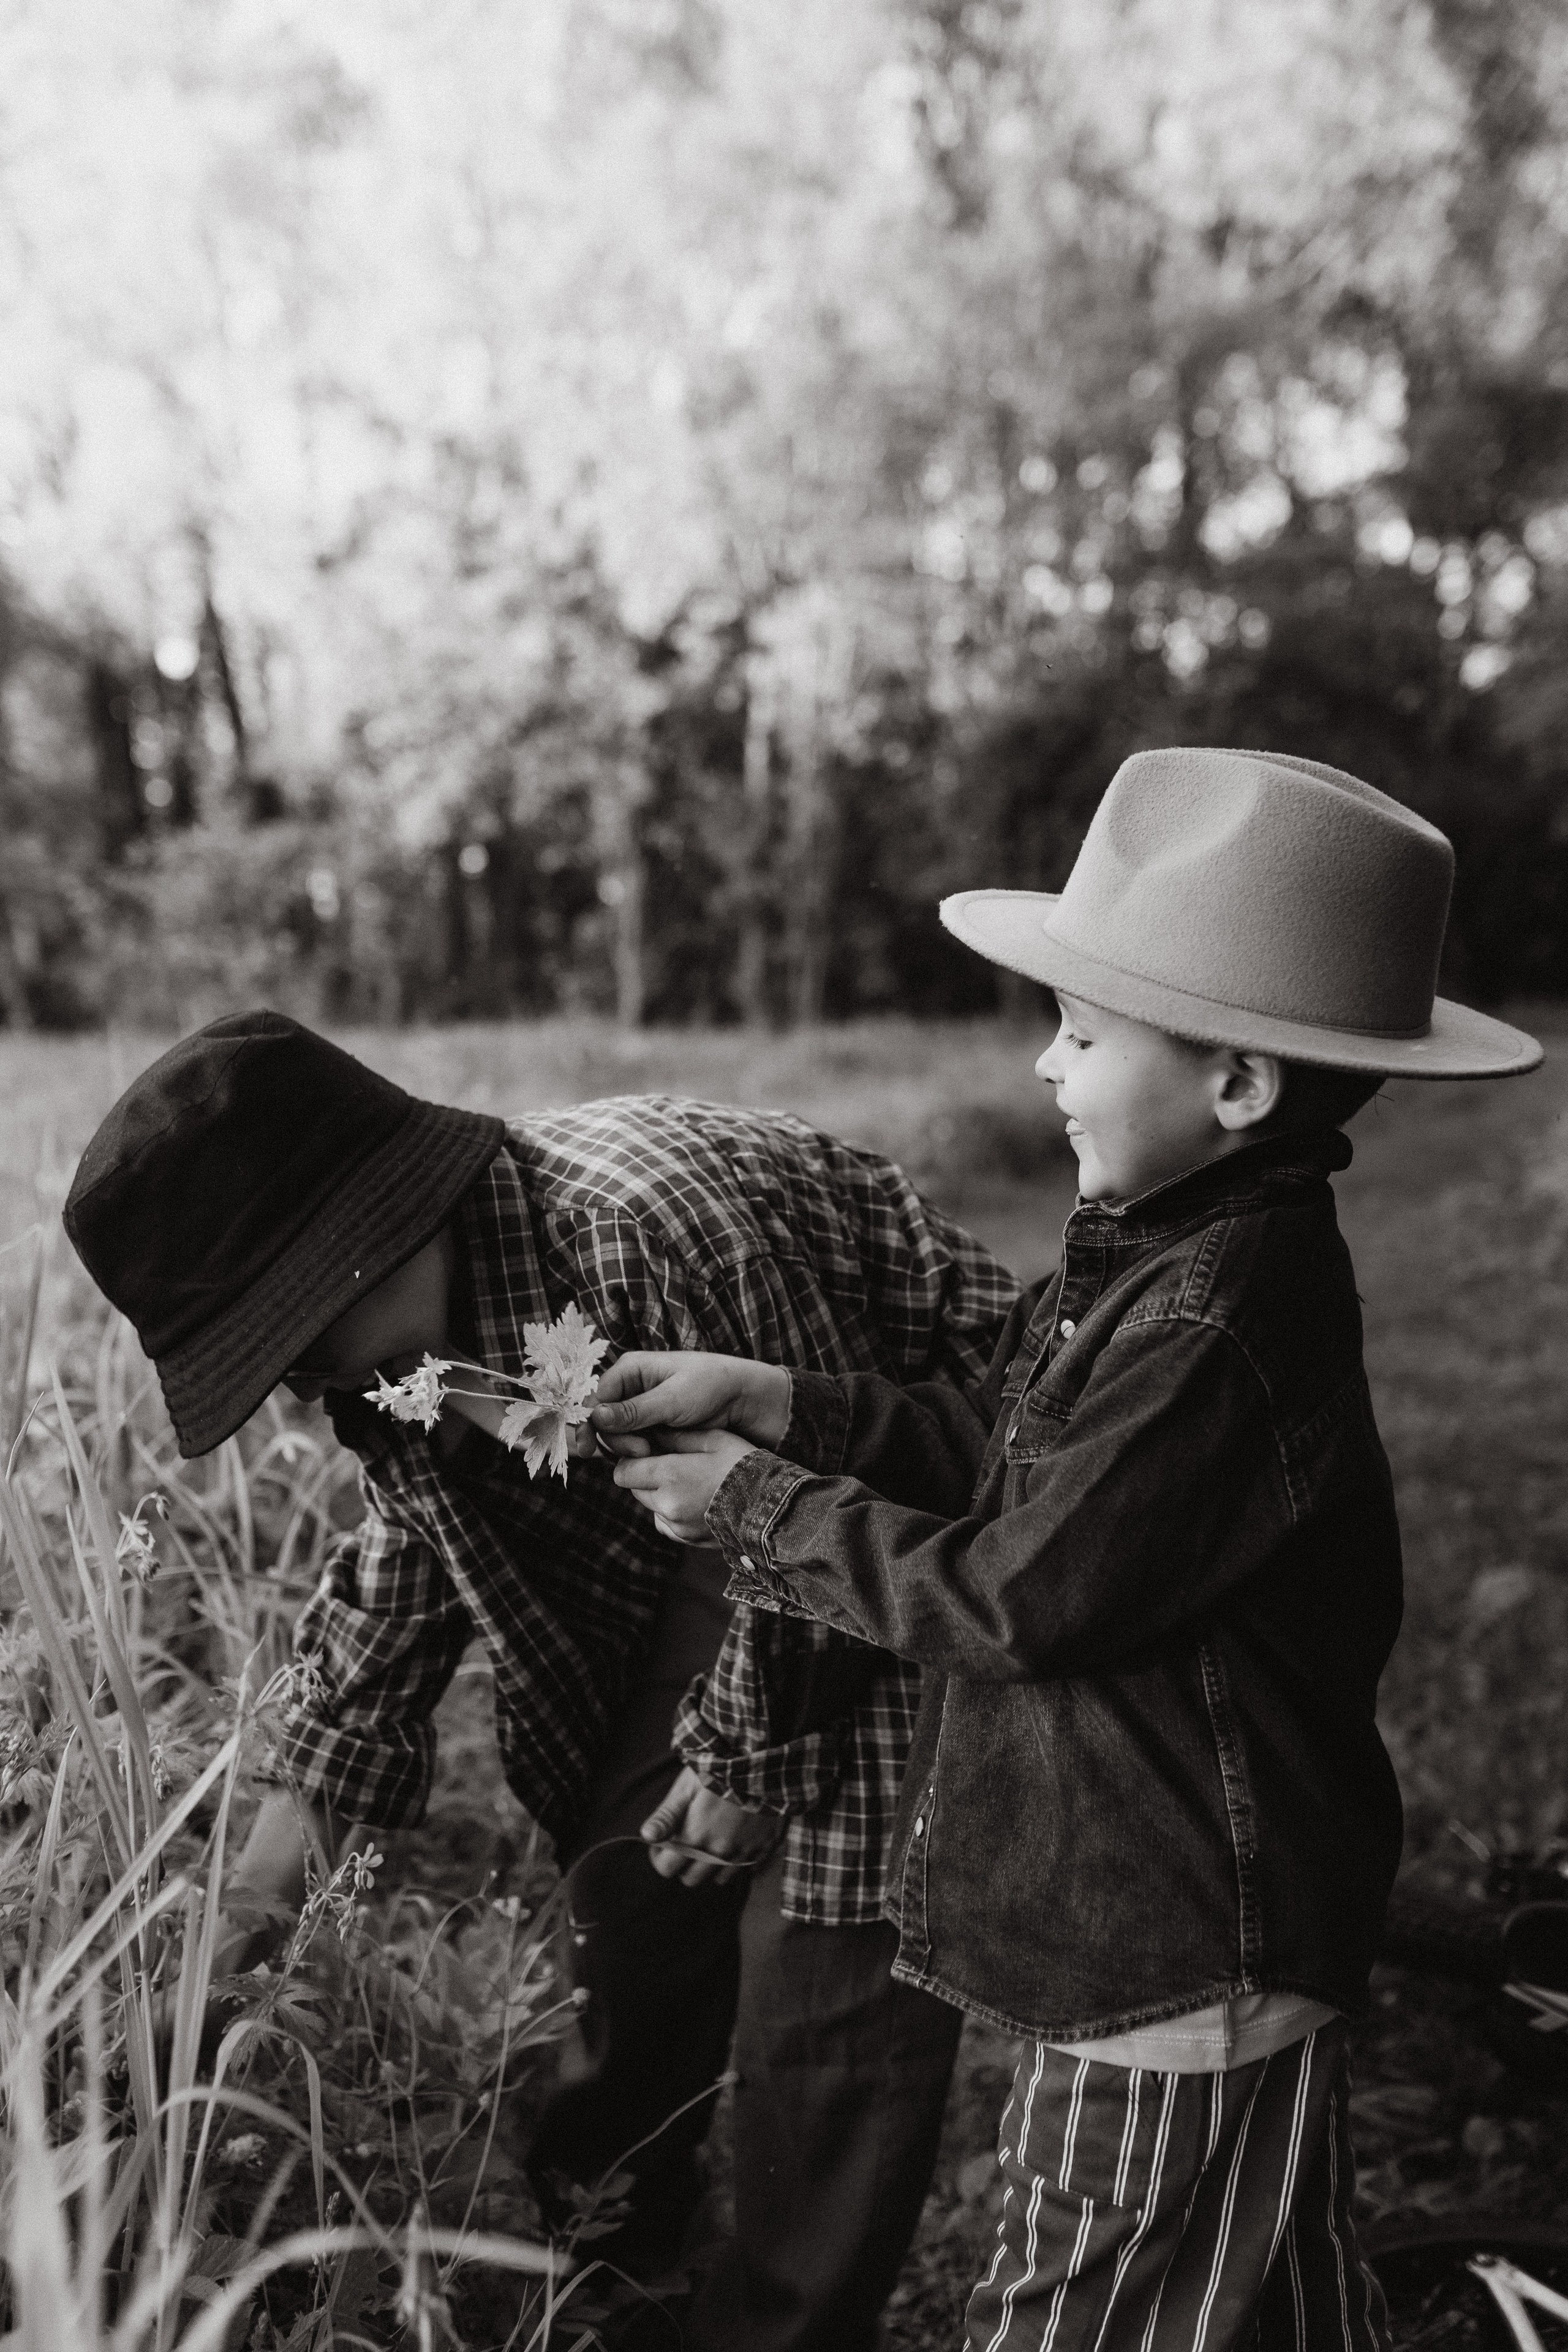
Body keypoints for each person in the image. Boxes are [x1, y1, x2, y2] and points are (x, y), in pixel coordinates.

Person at [588, 748, 1543, 2351]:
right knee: (1266, 2305)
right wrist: (783, 1402)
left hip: (1171, 1959)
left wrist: (751, 1506)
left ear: (1236, 1086)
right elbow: (1007, 1452)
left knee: (1070, 2302)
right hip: (1182, 1938)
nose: (1044, 1066)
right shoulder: (1174, 1253)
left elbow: (1021, 1592)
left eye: (1084, 1034)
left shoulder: (1216, 1312)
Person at [61, 1017, 1020, 2351]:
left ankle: (786, 2319)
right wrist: (219, 1966)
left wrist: (750, 1762)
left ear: (387, 1225)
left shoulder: (645, 1226)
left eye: (288, 1330)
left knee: (828, 1967)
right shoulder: (392, 1369)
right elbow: (386, 1619)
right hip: (694, 1551)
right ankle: (602, 2279)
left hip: (926, 1533)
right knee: (629, 1900)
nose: (291, 1382)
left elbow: (836, 1493)